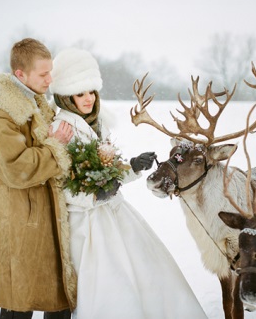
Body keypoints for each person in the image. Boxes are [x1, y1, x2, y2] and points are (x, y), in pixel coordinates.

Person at [50, 48, 208, 319]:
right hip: (86, 225)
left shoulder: (98, 123)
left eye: (92, 92)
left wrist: (133, 167)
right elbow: (60, 185)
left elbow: (107, 174)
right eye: (80, 93)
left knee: (150, 270)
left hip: (115, 212)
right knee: (113, 284)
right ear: (66, 96)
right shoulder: (61, 129)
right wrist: (95, 197)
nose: (88, 99)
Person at [0, 38, 78, 319]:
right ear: (20, 74)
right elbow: (16, 168)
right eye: (43, 74)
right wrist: (55, 146)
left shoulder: (37, 103)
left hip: (46, 216)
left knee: (57, 300)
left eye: (51, 72)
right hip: (18, 218)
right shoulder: (1, 111)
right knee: (18, 302)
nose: (50, 79)